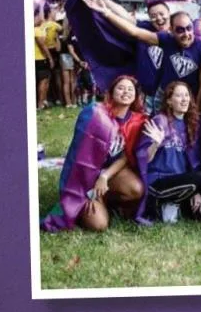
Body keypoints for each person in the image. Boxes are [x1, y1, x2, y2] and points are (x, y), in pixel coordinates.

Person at [41, 75, 147, 232]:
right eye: (121, 88)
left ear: (136, 95)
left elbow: (126, 156)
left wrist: (104, 177)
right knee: (99, 225)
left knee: (136, 189)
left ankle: (105, 198)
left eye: (130, 89)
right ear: (111, 92)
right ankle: (86, 201)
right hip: (85, 177)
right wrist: (92, 183)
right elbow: (78, 156)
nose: (126, 92)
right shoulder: (95, 114)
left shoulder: (136, 121)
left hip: (111, 174)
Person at [83, 0, 201, 108]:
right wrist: (106, 12)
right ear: (172, 31)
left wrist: (197, 109)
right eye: (180, 30)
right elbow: (134, 31)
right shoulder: (166, 39)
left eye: (189, 28)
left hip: (187, 98)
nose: (186, 33)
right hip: (164, 96)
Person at [81, 0, 171, 113]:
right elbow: (123, 14)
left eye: (162, 14)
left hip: (169, 96)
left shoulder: (178, 35)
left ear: (169, 14)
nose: (159, 18)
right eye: (154, 16)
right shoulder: (145, 28)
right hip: (145, 95)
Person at [135, 82, 201, 223]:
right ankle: (160, 203)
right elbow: (145, 159)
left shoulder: (191, 125)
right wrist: (156, 144)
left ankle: (170, 204)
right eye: (179, 95)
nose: (184, 99)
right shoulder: (160, 121)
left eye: (187, 95)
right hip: (158, 181)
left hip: (178, 181)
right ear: (169, 101)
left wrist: (196, 192)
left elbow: (193, 163)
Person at [33, 5, 55, 110]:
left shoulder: (39, 28)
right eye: (39, 15)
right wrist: (50, 58)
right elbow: (43, 46)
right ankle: (40, 104)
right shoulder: (36, 30)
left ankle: (43, 101)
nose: (42, 18)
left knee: (46, 80)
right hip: (40, 58)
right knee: (43, 81)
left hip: (38, 58)